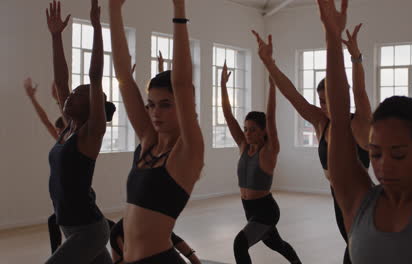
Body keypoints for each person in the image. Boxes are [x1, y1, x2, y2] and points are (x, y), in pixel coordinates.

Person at [316, 0, 412, 263]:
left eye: (397, 155)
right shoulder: (356, 200)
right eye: (375, 154)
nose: (384, 166)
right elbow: (339, 120)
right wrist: (332, 36)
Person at [252, 22, 372, 264]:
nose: (324, 106)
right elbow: (293, 95)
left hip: (360, 198)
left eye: (329, 100)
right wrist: (269, 63)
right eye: (321, 101)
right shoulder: (320, 122)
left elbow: (359, 92)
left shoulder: (359, 123)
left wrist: (356, 58)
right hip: (337, 197)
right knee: (354, 248)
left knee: (356, 250)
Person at [109, 0, 204, 262]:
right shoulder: (148, 142)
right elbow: (124, 78)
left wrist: (179, 10)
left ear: (185, 106)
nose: (154, 113)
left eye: (165, 105)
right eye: (150, 105)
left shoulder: (187, 152)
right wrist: (114, 10)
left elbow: (183, 83)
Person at [45, 0, 115, 263]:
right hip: (70, 227)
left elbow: (95, 76)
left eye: (79, 94)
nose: (69, 96)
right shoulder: (68, 129)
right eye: (71, 93)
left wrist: (97, 27)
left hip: (89, 231)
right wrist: (56, 37)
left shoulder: (90, 134)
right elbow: (61, 79)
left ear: (92, 105)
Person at [220, 59, 302, 263]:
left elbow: (271, 118)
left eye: (253, 129)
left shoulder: (269, 151)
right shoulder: (243, 147)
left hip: (266, 210)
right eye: (246, 129)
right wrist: (222, 86)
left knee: (240, 244)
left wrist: (272, 87)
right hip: (249, 209)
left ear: (263, 131)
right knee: (276, 244)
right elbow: (228, 116)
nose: (247, 133)